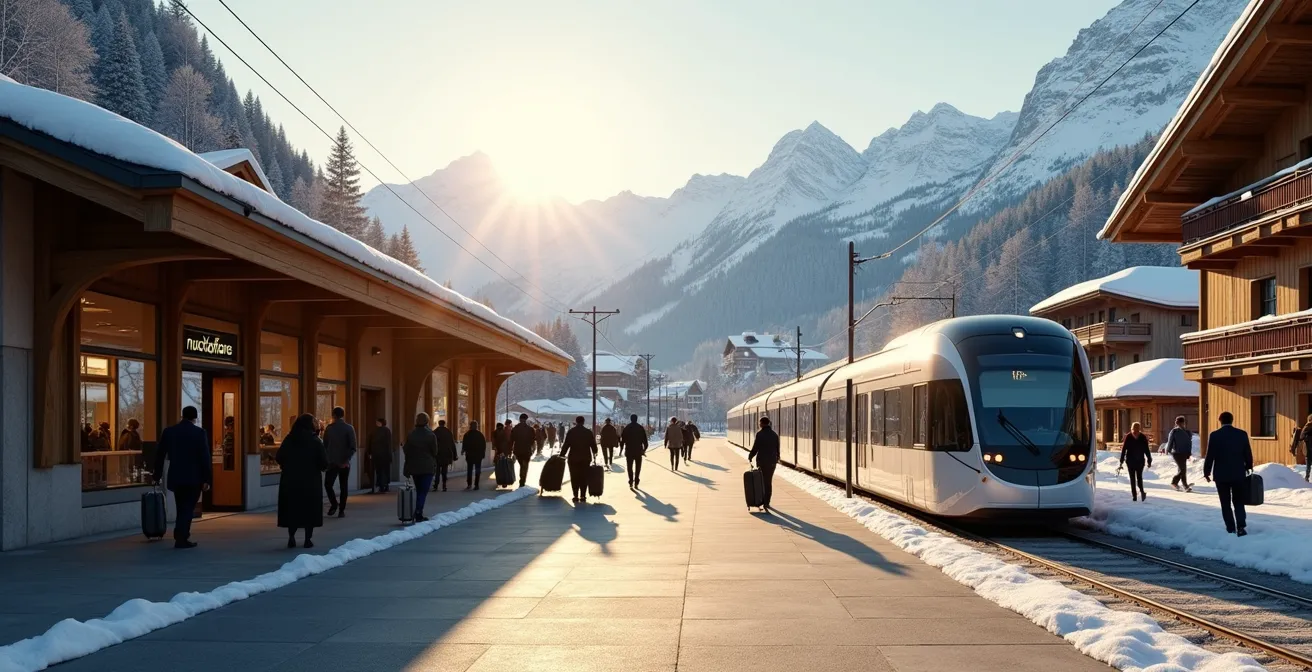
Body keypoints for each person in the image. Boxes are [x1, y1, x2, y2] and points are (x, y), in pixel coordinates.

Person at [152, 406, 212, 548]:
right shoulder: (199, 433)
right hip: (194, 477)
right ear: (195, 417)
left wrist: (157, 475)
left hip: (176, 476)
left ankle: (181, 534)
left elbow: (160, 455)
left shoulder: (169, 432)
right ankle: (181, 536)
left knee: (181, 506)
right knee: (188, 507)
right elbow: (205, 457)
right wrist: (207, 479)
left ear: (182, 416)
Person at [276, 414, 329, 549]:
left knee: (292, 509)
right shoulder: (315, 441)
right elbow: (324, 463)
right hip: (310, 481)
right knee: (309, 509)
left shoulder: (289, 439)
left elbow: (279, 457)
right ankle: (307, 539)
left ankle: (291, 536)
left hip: (290, 480)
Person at [1203, 411, 1255, 536]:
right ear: (1232, 420)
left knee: (1225, 502)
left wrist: (1207, 471)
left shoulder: (1215, 435)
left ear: (1220, 421)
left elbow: (1210, 455)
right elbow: (1247, 452)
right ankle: (1241, 526)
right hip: (1238, 473)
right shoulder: (1242, 434)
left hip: (1221, 475)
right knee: (1238, 501)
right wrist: (1249, 466)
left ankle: (1230, 527)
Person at [402, 412, 439, 522]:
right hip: (427, 467)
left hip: (414, 466)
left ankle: (418, 510)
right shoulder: (431, 435)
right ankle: (418, 512)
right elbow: (435, 451)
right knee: (423, 491)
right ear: (427, 421)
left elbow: (406, 450)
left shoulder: (411, 434)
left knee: (418, 490)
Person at [321, 406, 357, 518]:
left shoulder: (329, 428)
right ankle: (342, 510)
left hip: (332, 462)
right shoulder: (349, 428)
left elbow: (325, 445)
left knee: (328, 484)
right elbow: (353, 447)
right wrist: (346, 459)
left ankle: (334, 504)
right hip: (344, 462)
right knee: (343, 486)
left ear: (333, 415)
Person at [559, 415, 597, 503]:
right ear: (583, 422)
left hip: (573, 458)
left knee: (574, 477)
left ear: (576, 422)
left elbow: (566, 444)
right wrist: (595, 452)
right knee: (584, 477)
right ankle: (583, 496)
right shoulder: (588, 432)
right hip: (585, 458)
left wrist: (562, 454)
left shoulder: (571, 432)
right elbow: (593, 445)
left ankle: (575, 495)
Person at [747, 416, 780, 512]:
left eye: (759, 423)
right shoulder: (774, 435)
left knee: (762, 481)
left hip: (762, 461)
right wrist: (777, 458)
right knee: (768, 481)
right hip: (772, 462)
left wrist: (750, 456)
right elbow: (777, 448)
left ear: (761, 424)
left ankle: (761, 500)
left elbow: (755, 447)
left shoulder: (759, 434)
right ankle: (767, 502)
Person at [1119, 422, 1152, 501]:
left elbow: (1146, 449)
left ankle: (1142, 491)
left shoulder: (1143, 437)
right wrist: (1121, 460)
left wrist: (1149, 460)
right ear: (1132, 429)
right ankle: (1134, 495)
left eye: (1137, 430)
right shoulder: (1128, 437)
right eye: (1134, 430)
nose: (1135, 432)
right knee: (1132, 478)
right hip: (1130, 461)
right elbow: (1124, 449)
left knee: (1139, 477)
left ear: (1139, 429)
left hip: (1140, 461)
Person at [1166, 416, 1193, 492]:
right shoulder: (1174, 431)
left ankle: (1182, 485)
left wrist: (1189, 453)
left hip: (1185, 452)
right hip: (1177, 453)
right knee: (1183, 469)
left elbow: (1189, 443)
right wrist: (1168, 449)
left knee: (1182, 469)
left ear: (1183, 423)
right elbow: (1170, 441)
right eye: (1178, 423)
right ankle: (1176, 482)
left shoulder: (1187, 432)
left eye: (1181, 422)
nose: (1180, 424)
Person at [621, 414, 648, 488]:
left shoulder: (627, 428)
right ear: (637, 419)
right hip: (638, 450)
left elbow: (622, 440)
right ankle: (636, 480)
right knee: (638, 467)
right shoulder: (640, 428)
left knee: (629, 467)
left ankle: (630, 481)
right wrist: (644, 449)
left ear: (630, 419)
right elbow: (645, 441)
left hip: (629, 450)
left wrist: (621, 448)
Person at [511, 413, 537, 487]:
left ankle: (522, 479)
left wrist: (511, 450)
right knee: (524, 466)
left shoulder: (515, 428)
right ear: (526, 419)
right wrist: (533, 449)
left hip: (518, 450)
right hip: (527, 450)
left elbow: (512, 440)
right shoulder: (530, 429)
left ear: (520, 419)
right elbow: (533, 441)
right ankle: (522, 480)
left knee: (521, 465)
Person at [369, 418, 393, 494]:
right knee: (384, 471)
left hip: (378, 454)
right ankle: (384, 485)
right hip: (383, 455)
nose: (376, 423)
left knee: (380, 471)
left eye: (378, 422)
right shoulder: (386, 431)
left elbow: (370, 442)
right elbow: (389, 444)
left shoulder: (374, 431)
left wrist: (370, 452)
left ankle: (381, 485)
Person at [462, 421, 487, 490]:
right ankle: (476, 485)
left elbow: (464, 444)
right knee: (477, 470)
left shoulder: (467, 434)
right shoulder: (480, 435)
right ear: (477, 426)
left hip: (469, 455)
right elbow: (483, 445)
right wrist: (482, 454)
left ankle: (469, 484)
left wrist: (463, 450)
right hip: (478, 455)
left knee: (469, 470)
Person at [434, 419, 457, 492]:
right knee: (444, 471)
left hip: (437, 455)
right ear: (444, 424)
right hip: (446, 454)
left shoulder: (435, 432)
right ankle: (444, 486)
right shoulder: (448, 432)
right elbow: (452, 444)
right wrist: (455, 455)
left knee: (437, 471)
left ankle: (436, 485)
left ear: (438, 423)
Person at [1296, 415, 1312, 483]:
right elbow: (1301, 437)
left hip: (1310, 448)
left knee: (1308, 465)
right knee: (1308, 466)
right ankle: (1306, 479)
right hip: (1308, 449)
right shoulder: (1306, 427)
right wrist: (1309, 437)